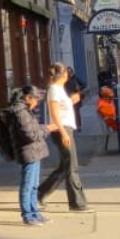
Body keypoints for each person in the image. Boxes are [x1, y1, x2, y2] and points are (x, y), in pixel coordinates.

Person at [39, 63, 91, 212]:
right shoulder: (54, 89)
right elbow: (55, 112)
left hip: (65, 129)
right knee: (72, 166)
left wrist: (72, 100)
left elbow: (61, 108)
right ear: (64, 75)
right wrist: (63, 133)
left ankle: (40, 193)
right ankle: (77, 203)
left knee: (64, 167)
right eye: (67, 73)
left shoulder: (59, 89)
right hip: (62, 129)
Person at [8, 85, 57, 226]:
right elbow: (30, 135)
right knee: (28, 185)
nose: (37, 103)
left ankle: (35, 213)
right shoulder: (21, 112)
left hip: (33, 151)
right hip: (28, 152)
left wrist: (45, 127)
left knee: (34, 185)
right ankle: (28, 215)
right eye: (36, 100)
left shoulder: (25, 110)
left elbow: (33, 129)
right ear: (28, 98)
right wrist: (47, 129)